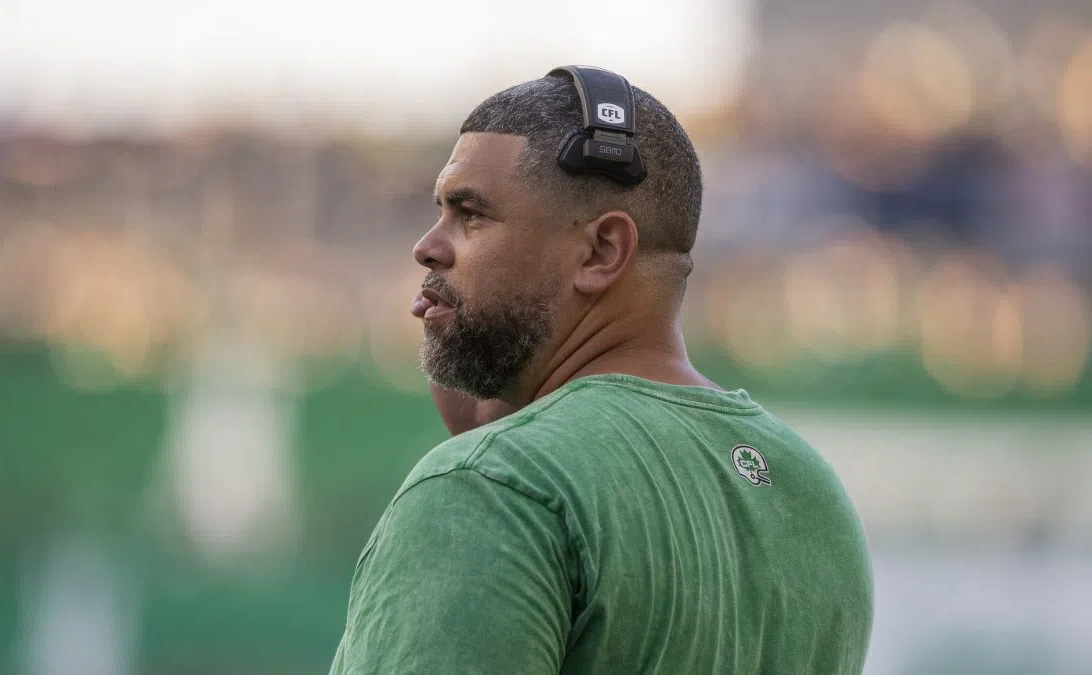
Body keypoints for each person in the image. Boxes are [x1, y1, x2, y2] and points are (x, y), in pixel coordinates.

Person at [330, 66, 874, 674]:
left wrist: (488, 464)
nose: (427, 247)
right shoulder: (811, 493)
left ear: (601, 251)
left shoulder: (493, 490)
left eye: (471, 214)